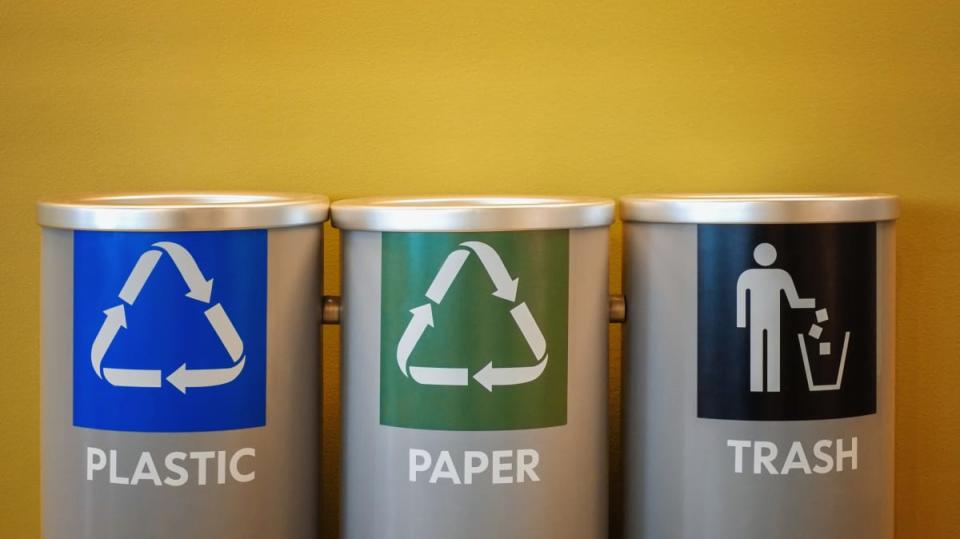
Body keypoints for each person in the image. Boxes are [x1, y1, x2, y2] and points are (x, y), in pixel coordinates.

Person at [736, 243, 815, 392]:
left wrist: (742, 321)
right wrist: (810, 303)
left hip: (761, 320)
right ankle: (768, 386)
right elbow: (794, 301)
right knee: (771, 350)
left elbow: (741, 301)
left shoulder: (747, 276)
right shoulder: (780, 275)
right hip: (770, 320)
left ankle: (759, 386)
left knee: (760, 349)